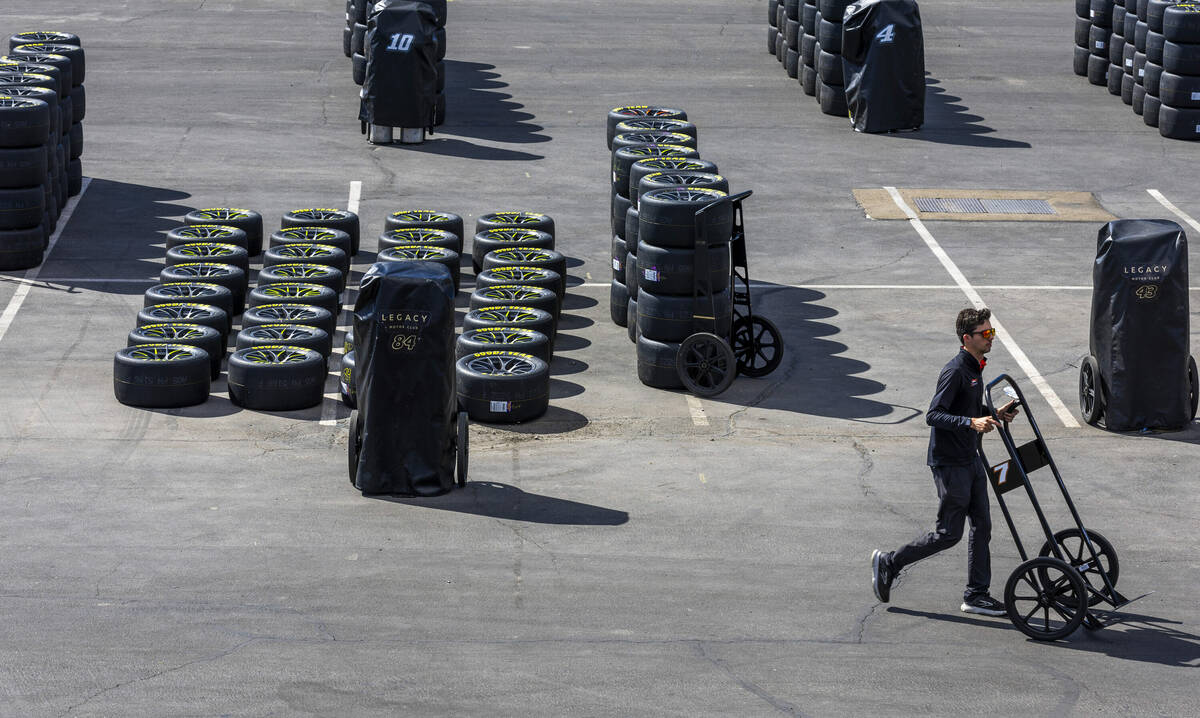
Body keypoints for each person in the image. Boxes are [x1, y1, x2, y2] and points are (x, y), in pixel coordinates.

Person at [871, 307, 1019, 616]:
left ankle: (977, 594)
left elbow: (967, 405)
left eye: (992, 332)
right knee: (948, 534)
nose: (992, 338)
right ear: (967, 338)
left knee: (983, 526)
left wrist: (993, 415)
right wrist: (970, 423)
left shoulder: (975, 367)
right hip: (950, 463)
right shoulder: (955, 371)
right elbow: (934, 415)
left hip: (970, 458)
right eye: (986, 334)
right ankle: (890, 562)